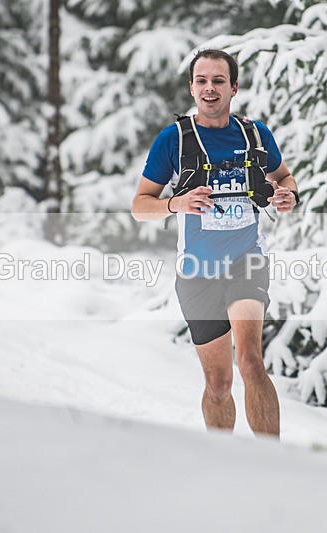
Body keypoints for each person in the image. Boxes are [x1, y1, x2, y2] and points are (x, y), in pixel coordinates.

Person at [130, 49, 299, 438]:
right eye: (202, 81)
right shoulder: (173, 140)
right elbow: (140, 206)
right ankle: (222, 460)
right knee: (219, 385)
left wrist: (289, 195)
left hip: (246, 261)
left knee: (252, 362)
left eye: (218, 81)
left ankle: (274, 463)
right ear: (192, 88)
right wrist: (176, 203)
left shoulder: (255, 134)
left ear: (233, 88)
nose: (210, 88)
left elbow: (285, 178)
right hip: (197, 272)